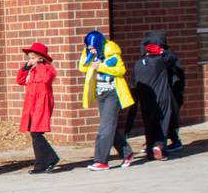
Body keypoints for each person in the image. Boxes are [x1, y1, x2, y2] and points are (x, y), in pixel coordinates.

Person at [78, 31, 135, 170]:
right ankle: (127, 153)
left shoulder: (112, 54)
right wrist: (88, 55)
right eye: (88, 48)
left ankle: (101, 161)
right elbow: (82, 68)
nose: (91, 50)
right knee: (109, 127)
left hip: (112, 93)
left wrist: (102, 66)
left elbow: (121, 70)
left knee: (104, 128)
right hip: (100, 94)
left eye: (92, 48)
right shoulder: (92, 56)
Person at [133, 30, 184, 161]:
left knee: (150, 121)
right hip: (163, 94)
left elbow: (134, 82)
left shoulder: (140, 63)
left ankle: (152, 147)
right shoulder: (162, 60)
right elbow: (172, 58)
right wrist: (162, 52)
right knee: (163, 120)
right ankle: (159, 145)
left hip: (149, 97)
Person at [18, 43, 59, 173]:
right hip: (31, 104)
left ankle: (51, 158)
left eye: (33, 58)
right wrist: (24, 69)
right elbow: (20, 81)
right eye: (29, 59)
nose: (30, 61)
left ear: (41, 58)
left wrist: (40, 65)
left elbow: (47, 79)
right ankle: (40, 165)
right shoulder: (31, 71)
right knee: (34, 134)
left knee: (36, 133)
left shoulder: (48, 69)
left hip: (42, 104)